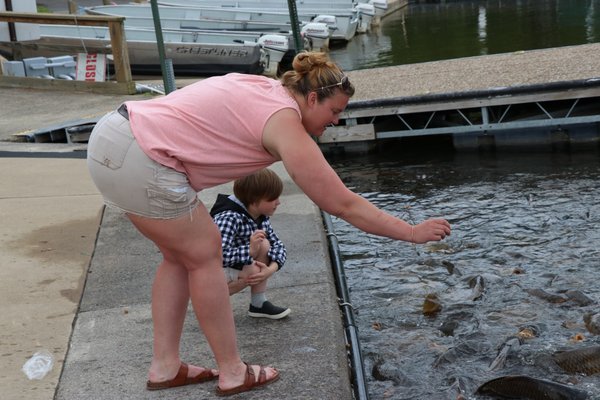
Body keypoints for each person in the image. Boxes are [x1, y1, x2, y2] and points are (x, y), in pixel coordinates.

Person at [86, 50, 451, 397]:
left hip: (114, 137)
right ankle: (232, 372)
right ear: (311, 99)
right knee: (204, 254)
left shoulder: (265, 87)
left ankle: (165, 367)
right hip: (145, 158)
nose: (337, 120)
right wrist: (411, 232)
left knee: (178, 256)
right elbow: (341, 203)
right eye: (335, 110)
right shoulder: (285, 122)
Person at [209, 168, 290, 320]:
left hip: (234, 267)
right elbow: (216, 255)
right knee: (255, 266)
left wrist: (270, 270)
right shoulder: (228, 217)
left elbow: (278, 246)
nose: (278, 202)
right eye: (272, 199)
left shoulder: (260, 215)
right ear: (254, 200)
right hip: (210, 273)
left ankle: (258, 304)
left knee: (264, 244)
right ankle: (212, 299)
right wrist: (250, 251)